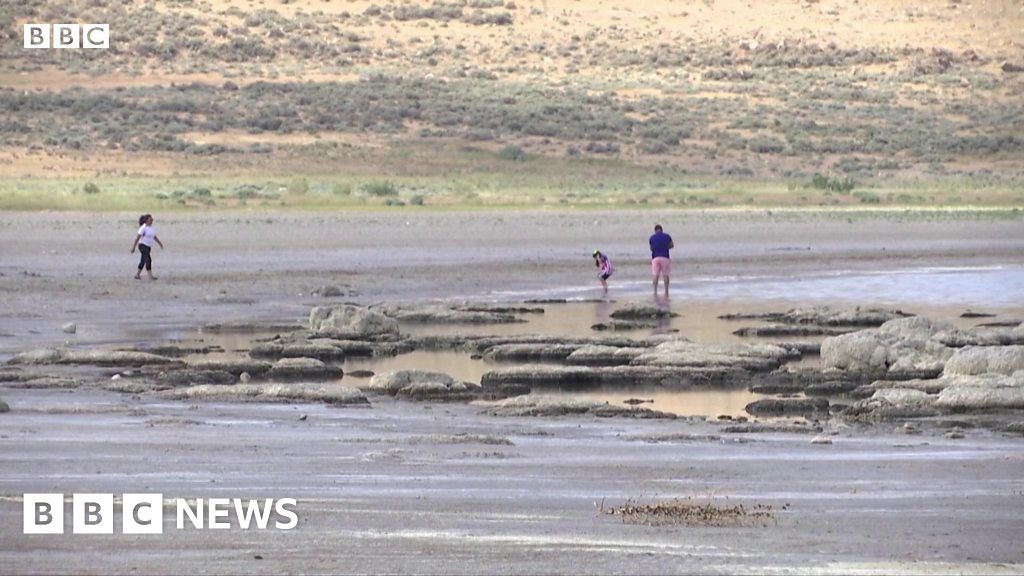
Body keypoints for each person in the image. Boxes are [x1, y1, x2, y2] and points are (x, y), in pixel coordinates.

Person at [130, 213, 163, 280]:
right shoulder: (143, 228)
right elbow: (137, 238)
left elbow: (154, 236)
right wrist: (133, 247)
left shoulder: (152, 228)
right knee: (148, 259)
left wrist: (159, 243)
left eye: (152, 220)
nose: (152, 221)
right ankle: (150, 276)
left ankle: (137, 275)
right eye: (150, 219)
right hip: (142, 245)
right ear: (146, 220)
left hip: (148, 246)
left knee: (143, 260)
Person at [648, 223, 674, 296]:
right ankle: (666, 291)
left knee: (655, 275)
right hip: (665, 257)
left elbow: (651, 248)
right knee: (665, 275)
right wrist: (666, 247)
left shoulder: (652, 237)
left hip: (655, 258)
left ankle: (655, 291)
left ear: (655, 231)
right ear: (662, 230)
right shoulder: (667, 236)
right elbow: (672, 245)